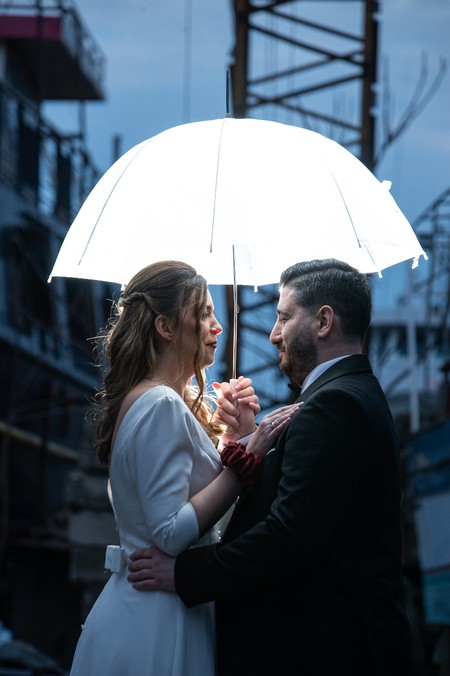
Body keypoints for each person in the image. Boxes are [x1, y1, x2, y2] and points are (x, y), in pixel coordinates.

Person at [128, 258, 413, 676]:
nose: (273, 334)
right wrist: (244, 439)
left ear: (323, 321)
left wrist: (183, 574)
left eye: (284, 317)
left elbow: (287, 535)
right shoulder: (346, 396)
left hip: (325, 653)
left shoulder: (336, 404)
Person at [68, 260, 298, 676]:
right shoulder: (161, 404)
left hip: (151, 609)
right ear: (166, 327)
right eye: (204, 313)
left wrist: (236, 439)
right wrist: (248, 457)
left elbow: (208, 517)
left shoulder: (154, 401)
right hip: (155, 622)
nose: (218, 327)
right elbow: (171, 532)